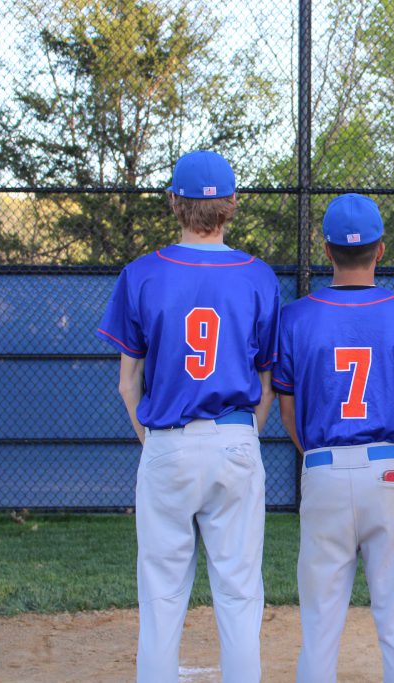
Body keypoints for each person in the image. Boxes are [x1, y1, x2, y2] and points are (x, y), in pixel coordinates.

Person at [95, 150, 280, 683]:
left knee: (161, 594)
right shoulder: (258, 276)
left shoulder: (142, 273)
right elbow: (267, 381)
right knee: (240, 593)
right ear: (233, 206)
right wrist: (243, 434)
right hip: (234, 438)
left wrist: (153, 441)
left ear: (174, 202)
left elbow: (128, 383)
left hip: (167, 442)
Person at [272, 193, 394, 683]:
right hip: (388, 464)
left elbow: (287, 410)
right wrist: (392, 456)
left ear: (326, 251)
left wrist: (320, 457)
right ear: (380, 249)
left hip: (321, 465)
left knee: (320, 624)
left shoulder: (296, 317)